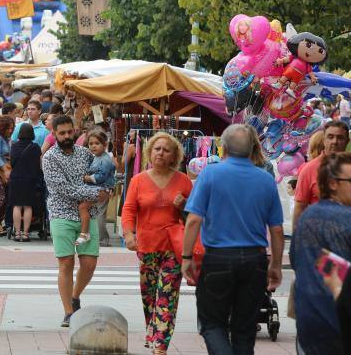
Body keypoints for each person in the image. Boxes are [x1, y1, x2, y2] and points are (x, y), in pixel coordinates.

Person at [182, 124, 284, 355]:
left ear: (224, 148)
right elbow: (276, 229)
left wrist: (187, 257)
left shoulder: (210, 174)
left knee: (212, 323)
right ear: (252, 149)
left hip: (218, 258)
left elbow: (194, 219)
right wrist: (276, 265)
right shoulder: (265, 179)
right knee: (245, 329)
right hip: (254, 260)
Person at [122, 132, 192, 355]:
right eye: (157, 149)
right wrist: (129, 234)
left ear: (174, 156)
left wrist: (184, 205)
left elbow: (195, 215)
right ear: (150, 152)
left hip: (173, 247)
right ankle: (152, 331)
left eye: (166, 150)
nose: (161, 153)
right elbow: (129, 209)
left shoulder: (183, 181)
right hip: (146, 246)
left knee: (167, 295)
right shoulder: (138, 180)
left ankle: (160, 345)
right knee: (149, 295)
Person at [42, 115, 105, 327]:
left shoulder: (86, 153)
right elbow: (64, 189)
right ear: (54, 134)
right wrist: (95, 193)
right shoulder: (49, 158)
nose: (67, 136)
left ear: (75, 130)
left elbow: (101, 174)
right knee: (66, 263)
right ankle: (69, 312)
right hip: (61, 214)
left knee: (90, 263)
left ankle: (75, 296)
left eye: (70, 132)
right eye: (62, 133)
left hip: (88, 214)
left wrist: (106, 187)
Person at [290, 153, 351, 355]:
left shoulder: (307, 217)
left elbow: (297, 261)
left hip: (310, 323)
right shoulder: (347, 219)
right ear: (333, 184)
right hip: (340, 326)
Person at [293, 121, 349, 227]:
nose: (335, 141)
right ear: (324, 140)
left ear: (347, 141)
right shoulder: (309, 169)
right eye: (330, 137)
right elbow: (300, 207)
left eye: (340, 138)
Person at [76, 131, 116, 245]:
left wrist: (88, 178)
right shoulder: (97, 157)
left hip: (101, 189)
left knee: (99, 214)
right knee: (95, 212)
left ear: (105, 144)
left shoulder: (105, 159)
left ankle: (101, 239)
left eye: (97, 143)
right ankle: (96, 236)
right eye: (91, 143)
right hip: (95, 189)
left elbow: (101, 176)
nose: (93, 146)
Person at [10, 123, 43, 243]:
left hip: (16, 178)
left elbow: (12, 163)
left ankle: (17, 233)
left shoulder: (14, 146)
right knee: (28, 206)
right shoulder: (36, 147)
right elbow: (39, 164)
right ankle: (25, 234)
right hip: (30, 179)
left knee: (17, 206)